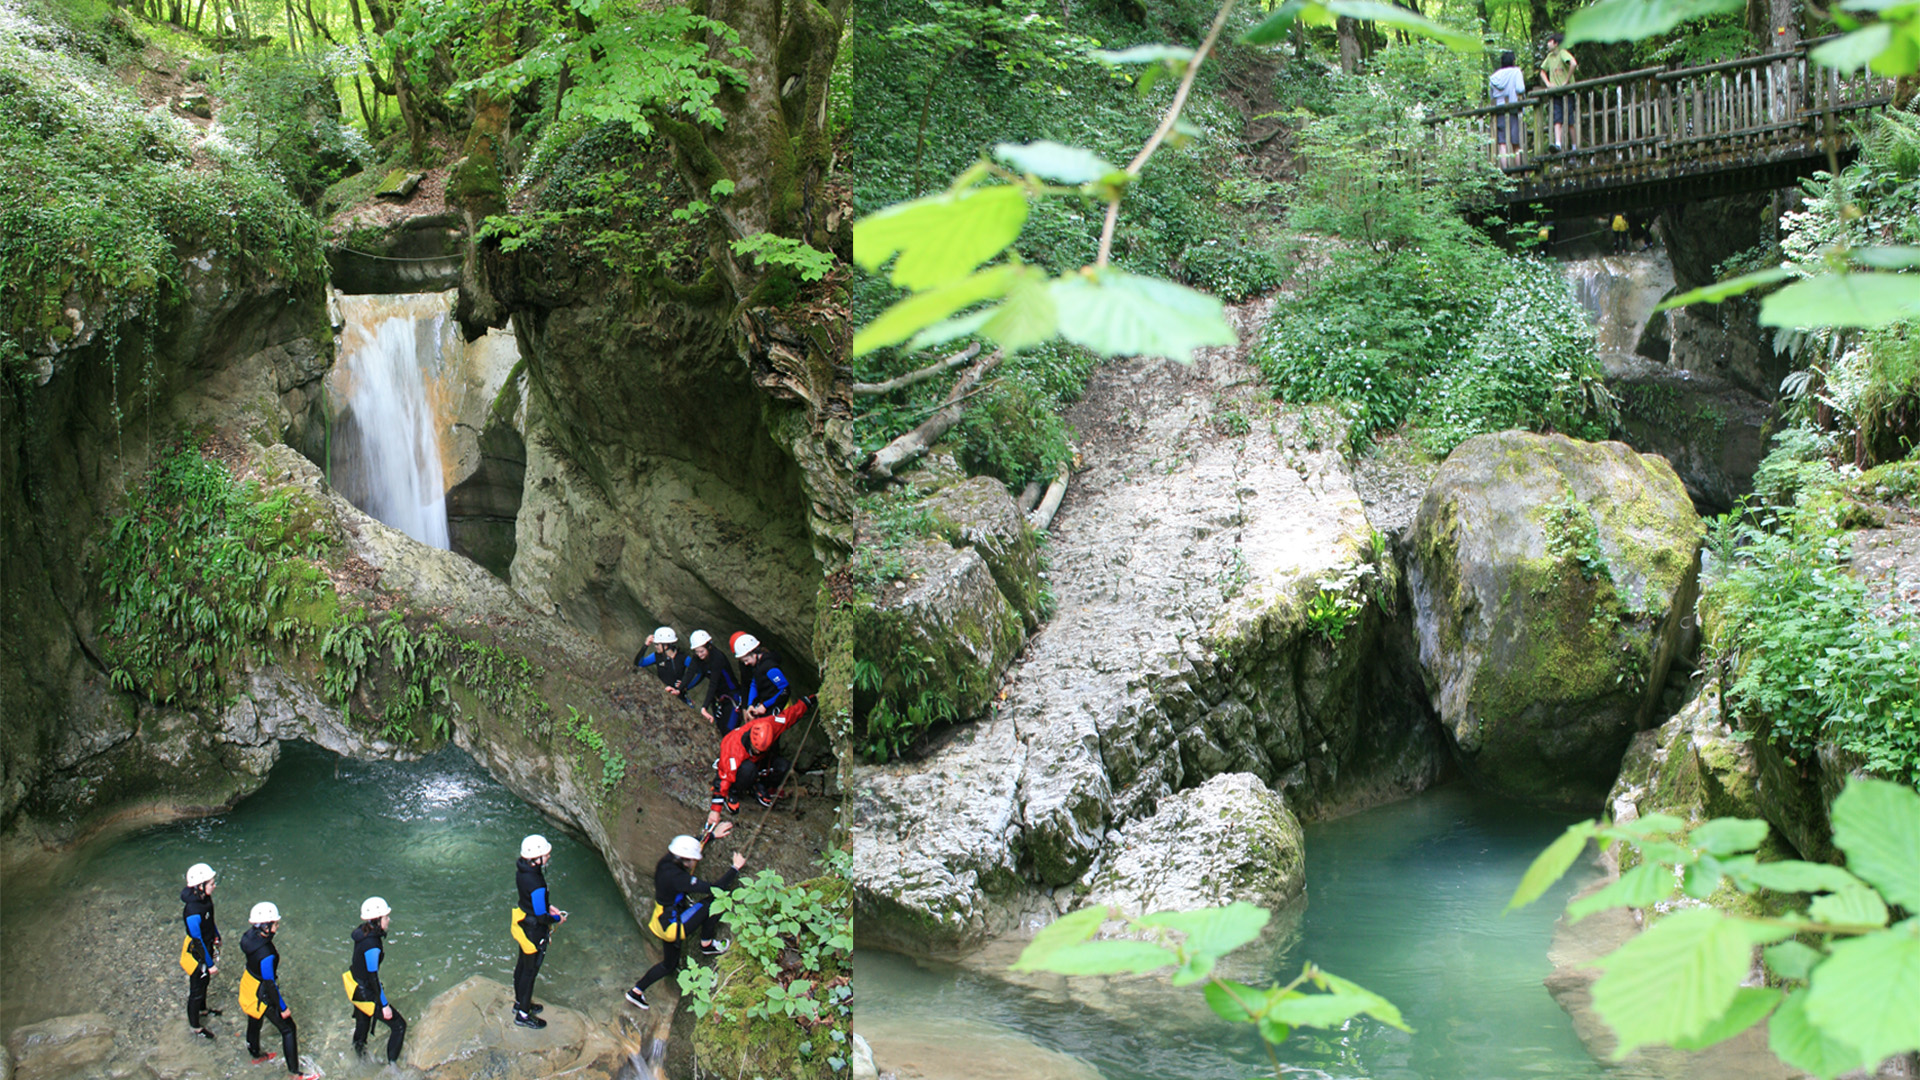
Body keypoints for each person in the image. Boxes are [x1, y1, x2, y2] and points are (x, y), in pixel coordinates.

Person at [625, 834, 746, 1010]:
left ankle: (636, 992)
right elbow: (716, 889)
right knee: (714, 901)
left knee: (669, 965)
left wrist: (710, 835)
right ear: (685, 860)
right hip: (673, 926)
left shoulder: (667, 861)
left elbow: (689, 847)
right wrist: (735, 868)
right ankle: (707, 944)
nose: (695, 862)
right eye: (693, 860)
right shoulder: (678, 878)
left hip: (660, 920)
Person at [239, 902, 318, 1079]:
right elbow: (269, 984)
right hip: (261, 992)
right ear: (266, 926)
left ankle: (255, 1055)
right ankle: (295, 1074)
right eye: (275, 923)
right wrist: (282, 1007)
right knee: (289, 1029)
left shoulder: (248, 937)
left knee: (254, 1017)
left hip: (248, 984)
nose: (277, 926)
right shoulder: (267, 953)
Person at [708, 695, 814, 818]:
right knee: (748, 770)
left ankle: (761, 785)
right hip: (742, 765)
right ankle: (733, 791)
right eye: (756, 749)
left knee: (784, 766)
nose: (758, 751)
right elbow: (724, 779)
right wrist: (715, 810)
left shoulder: (772, 724)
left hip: (760, 761)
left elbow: (790, 715)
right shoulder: (733, 748)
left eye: (760, 749)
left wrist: (810, 700)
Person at [510, 834, 568, 1028]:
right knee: (530, 970)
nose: (548, 857)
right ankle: (524, 1015)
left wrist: (547, 906)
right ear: (536, 859)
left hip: (523, 921)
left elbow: (536, 903)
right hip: (534, 929)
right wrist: (557, 918)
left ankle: (519, 1003)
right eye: (546, 854)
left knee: (522, 965)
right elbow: (542, 916)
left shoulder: (523, 870)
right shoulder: (536, 882)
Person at [345, 896, 406, 1063]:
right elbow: (373, 977)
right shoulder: (373, 945)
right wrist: (384, 1005)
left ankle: (359, 1060)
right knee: (399, 1026)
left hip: (355, 985)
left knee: (362, 1024)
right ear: (378, 920)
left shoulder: (362, 932)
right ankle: (392, 1066)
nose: (389, 920)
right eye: (386, 917)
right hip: (364, 991)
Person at [179, 862, 223, 1041]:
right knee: (196, 989)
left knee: (205, 982)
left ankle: (203, 1009)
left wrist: (216, 935)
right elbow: (197, 940)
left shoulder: (204, 898)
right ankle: (195, 1026)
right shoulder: (193, 912)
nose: (214, 886)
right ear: (200, 886)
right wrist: (209, 964)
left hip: (206, 945)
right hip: (197, 953)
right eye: (211, 883)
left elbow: (210, 920)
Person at [680, 629, 742, 734]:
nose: (699, 654)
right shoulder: (697, 658)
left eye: (702, 651)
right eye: (697, 651)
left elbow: (713, 684)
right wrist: (679, 688)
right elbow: (690, 673)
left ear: (709, 646)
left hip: (732, 695)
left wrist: (704, 707)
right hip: (718, 698)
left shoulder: (717, 658)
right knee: (719, 729)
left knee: (728, 730)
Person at [732, 634, 789, 721]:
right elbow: (754, 683)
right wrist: (750, 704)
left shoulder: (769, 667)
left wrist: (765, 705)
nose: (746, 664)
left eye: (746, 660)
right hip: (767, 704)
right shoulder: (757, 666)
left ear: (754, 654)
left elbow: (785, 690)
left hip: (780, 706)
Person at [1539, 32, 1578, 150]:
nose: (1547, 44)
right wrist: (1548, 84)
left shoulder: (1563, 53)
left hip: (1568, 93)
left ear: (1555, 43)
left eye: (1549, 41)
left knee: (1570, 121)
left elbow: (1573, 64)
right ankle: (1558, 144)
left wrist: (1567, 80)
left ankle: (1574, 146)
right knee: (1557, 119)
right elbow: (1542, 71)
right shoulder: (1549, 57)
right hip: (1556, 93)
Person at [1489, 50, 1526, 163]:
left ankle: (1505, 172)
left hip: (1500, 110)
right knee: (1516, 143)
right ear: (1513, 61)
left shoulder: (1494, 77)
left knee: (1502, 143)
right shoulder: (1516, 72)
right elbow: (1520, 89)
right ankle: (1518, 170)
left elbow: (1492, 96)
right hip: (1513, 109)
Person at [636, 627, 689, 691]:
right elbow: (639, 663)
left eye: (657, 644)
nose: (655, 646)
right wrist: (646, 645)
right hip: (663, 691)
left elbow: (698, 671)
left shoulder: (682, 657)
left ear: (666, 645)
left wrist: (686, 685)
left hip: (678, 693)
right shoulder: (657, 656)